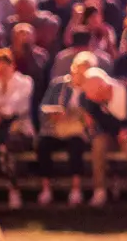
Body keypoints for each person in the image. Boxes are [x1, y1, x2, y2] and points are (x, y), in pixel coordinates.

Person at [36, 49, 98, 206]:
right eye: (79, 70)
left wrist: (83, 116)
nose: (81, 76)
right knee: (43, 144)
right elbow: (43, 107)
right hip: (57, 129)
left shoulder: (92, 88)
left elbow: (95, 115)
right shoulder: (58, 85)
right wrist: (54, 113)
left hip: (78, 131)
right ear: (73, 68)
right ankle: (46, 189)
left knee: (76, 144)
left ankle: (76, 189)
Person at [80, 69, 127, 207]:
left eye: (92, 93)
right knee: (98, 143)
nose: (88, 97)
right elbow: (101, 126)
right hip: (112, 135)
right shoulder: (91, 102)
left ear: (102, 88)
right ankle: (99, 191)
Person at [0, 48, 36, 209]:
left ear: (12, 66)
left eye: (3, 68)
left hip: (19, 130)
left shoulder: (24, 82)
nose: (0, 73)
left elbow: (15, 106)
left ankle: (13, 190)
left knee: (3, 146)